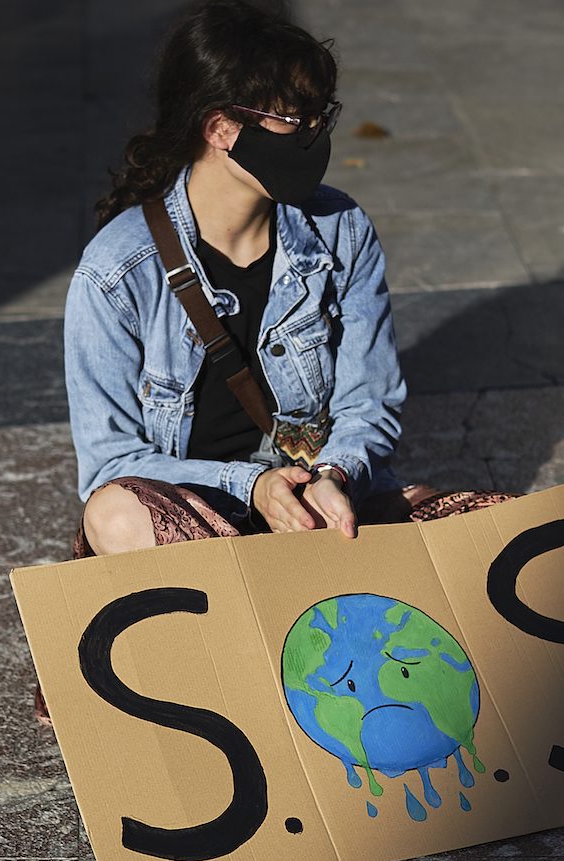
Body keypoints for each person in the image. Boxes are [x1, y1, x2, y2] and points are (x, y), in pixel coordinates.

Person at [65, 0, 514, 562]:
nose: (315, 134)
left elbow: (368, 403)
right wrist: (250, 487)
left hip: (320, 511)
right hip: (196, 520)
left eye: (322, 115)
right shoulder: (115, 272)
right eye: (294, 120)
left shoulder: (341, 230)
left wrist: (334, 475)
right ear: (222, 128)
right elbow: (109, 465)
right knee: (114, 514)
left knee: (510, 528)